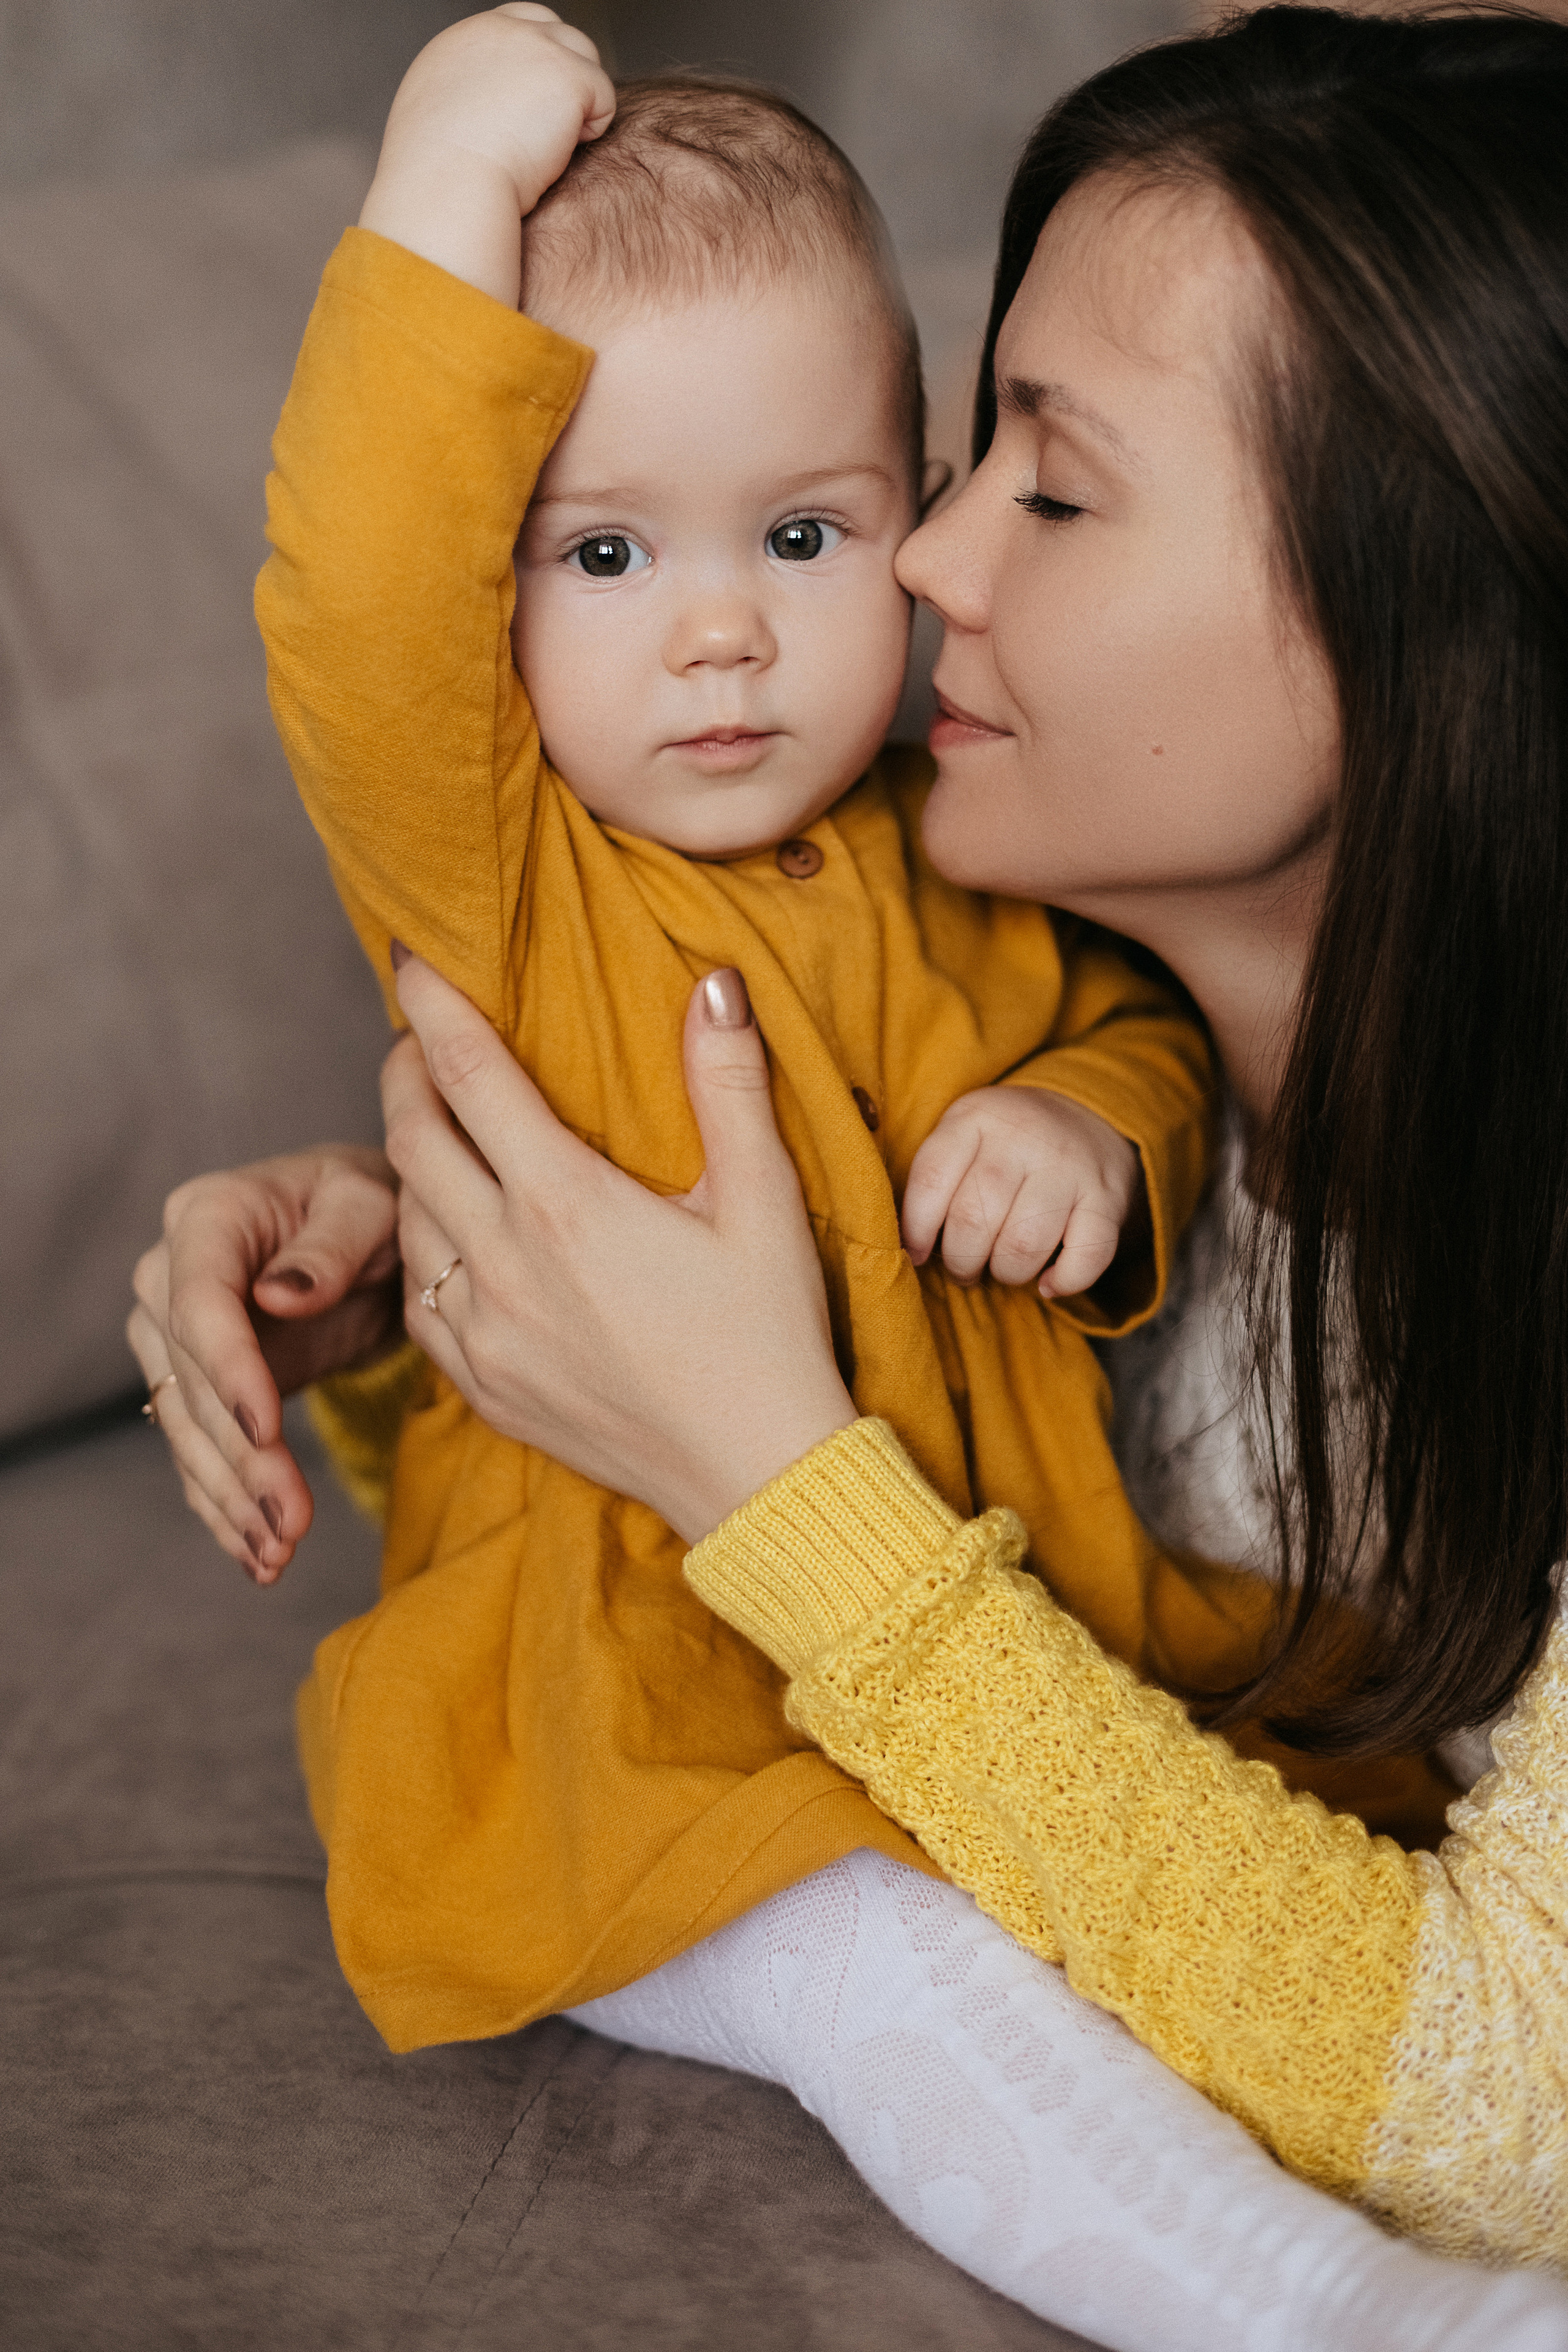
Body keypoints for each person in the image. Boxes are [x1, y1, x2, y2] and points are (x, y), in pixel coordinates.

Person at [127, 4, 1568, 2346]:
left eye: (841, 522)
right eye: (605, 551)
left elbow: (1515, 2093)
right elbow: (367, 604)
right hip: (651, 1745)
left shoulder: (981, 902)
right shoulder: (529, 869)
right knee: (899, 1979)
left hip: (953, 1670)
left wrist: (1079, 1135)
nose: (913, 567)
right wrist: (422, 1260)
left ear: (1433, 604)